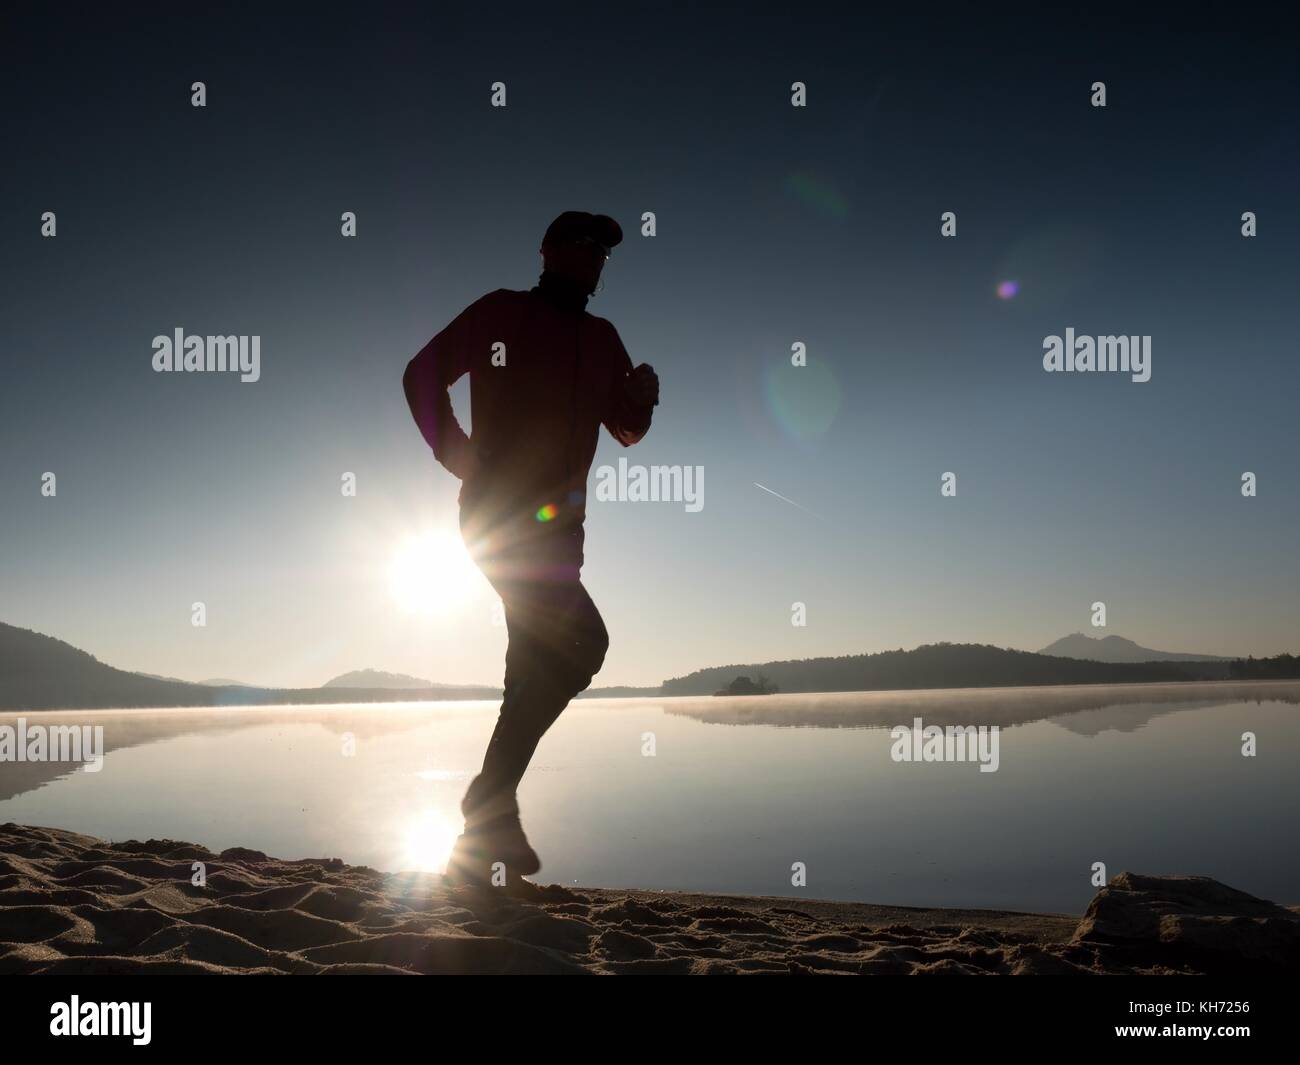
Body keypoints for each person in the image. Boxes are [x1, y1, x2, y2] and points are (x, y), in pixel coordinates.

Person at [403, 211, 659, 884]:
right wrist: (461, 458)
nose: (595, 258)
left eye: (603, 251)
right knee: (584, 646)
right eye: (582, 245)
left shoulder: (602, 339)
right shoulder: (502, 313)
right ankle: (489, 798)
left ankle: (488, 838)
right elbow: (421, 373)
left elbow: (626, 427)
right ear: (548, 251)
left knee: (532, 674)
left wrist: (642, 403)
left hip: (562, 534)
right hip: (499, 521)